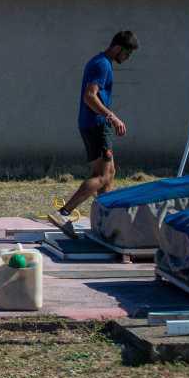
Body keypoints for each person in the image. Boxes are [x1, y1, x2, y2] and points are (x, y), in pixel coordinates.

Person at [49, 30, 139, 238]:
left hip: (91, 124)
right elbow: (90, 96)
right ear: (118, 48)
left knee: (109, 175)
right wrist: (112, 117)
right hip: (97, 124)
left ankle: (104, 224)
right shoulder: (102, 64)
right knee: (103, 175)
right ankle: (63, 213)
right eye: (127, 53)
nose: (128, 58)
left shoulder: (99, 62)